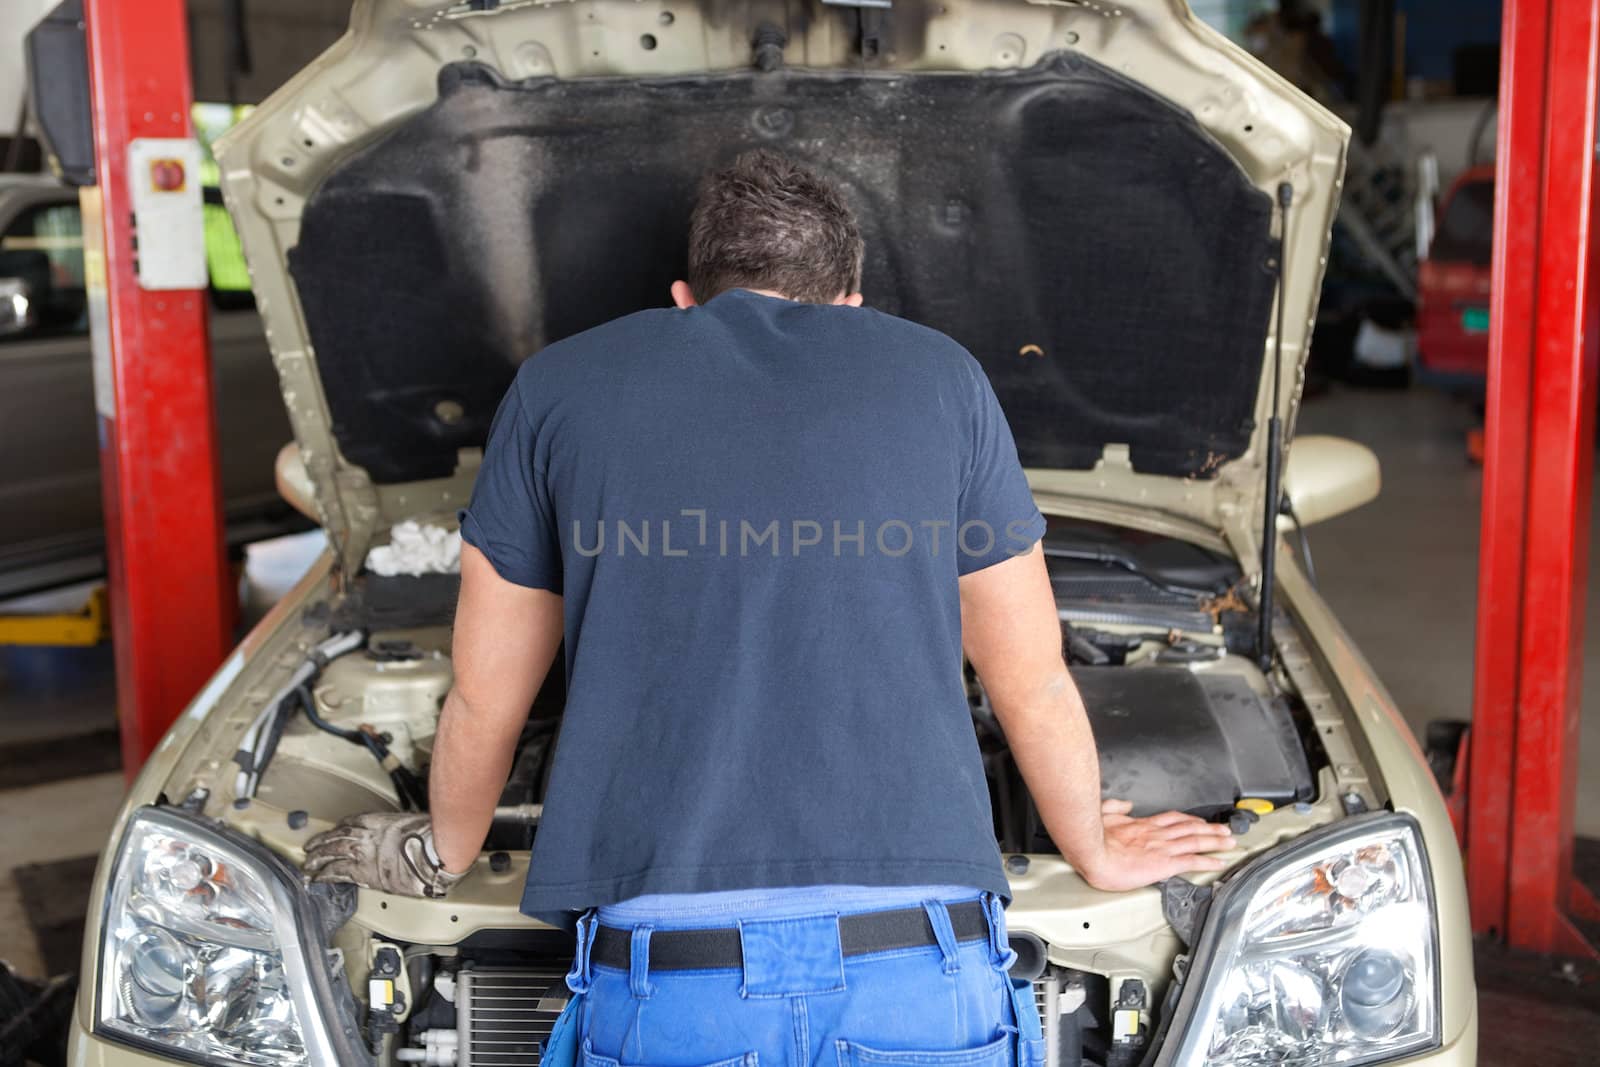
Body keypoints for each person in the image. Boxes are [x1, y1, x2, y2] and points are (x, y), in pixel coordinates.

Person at [304, 150, 1233, 1062]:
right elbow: (1027, 675)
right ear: (853, 303)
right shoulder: (942, 376)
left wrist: (446, 848)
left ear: (683, 298)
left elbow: (484, 696)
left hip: (672, 984)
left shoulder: (557, 386)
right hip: (920, 966)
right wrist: (1094, 848)